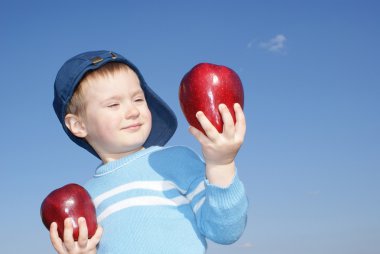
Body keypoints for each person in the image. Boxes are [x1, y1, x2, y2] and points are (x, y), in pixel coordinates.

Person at [49, 50, 248, 254]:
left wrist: (221, 164)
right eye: (113, 104)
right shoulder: (86, 199)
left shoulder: (176, 161)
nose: (133, 111)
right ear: (78, 125)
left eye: (138, 99)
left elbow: (225, 231)